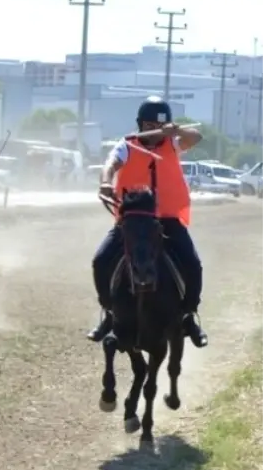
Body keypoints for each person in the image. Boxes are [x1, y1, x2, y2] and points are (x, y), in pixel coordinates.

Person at [87, 96, 207, 348]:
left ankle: (188, 317)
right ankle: (109, 313)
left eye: (160, 125)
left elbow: (195, 137)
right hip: (133, 220)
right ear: (140, 124)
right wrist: (106, 182)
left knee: (193, 264)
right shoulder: (127, 145)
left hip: (168, 219)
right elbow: (110, 164)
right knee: (100, 260)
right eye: (150, 124)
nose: (155, 130)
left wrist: (178, 130)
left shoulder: (173, 143)